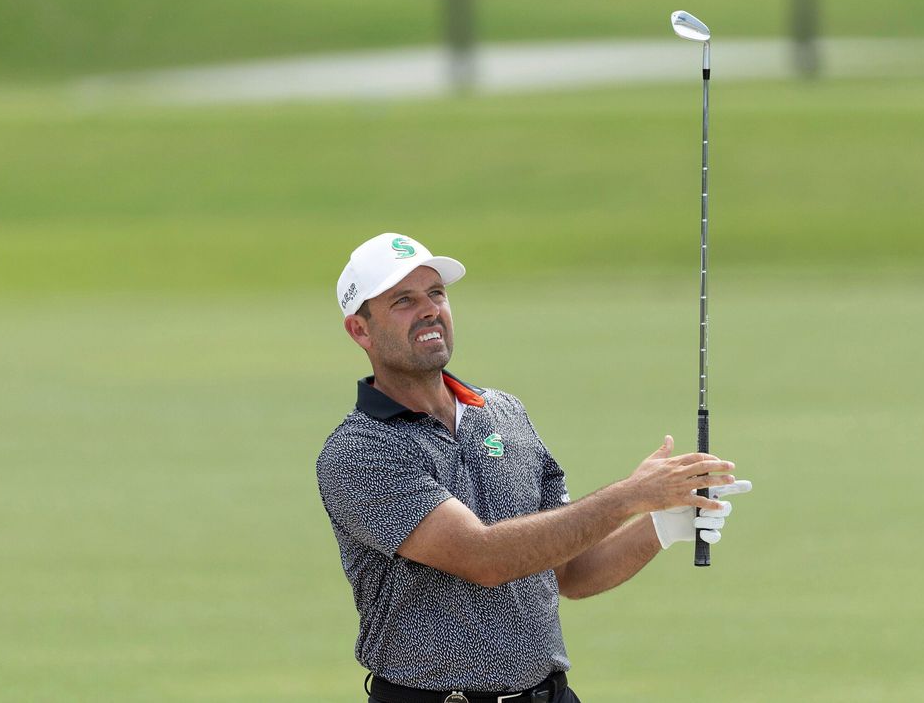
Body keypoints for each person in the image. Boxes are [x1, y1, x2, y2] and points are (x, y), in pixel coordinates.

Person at [316, 233, 752, 703]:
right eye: (403, 300)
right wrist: (631, 495)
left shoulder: (504, 413)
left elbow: (570, 572)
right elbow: (484, 559)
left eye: (436, 293)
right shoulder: (358, 452)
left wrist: (659, 525)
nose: (429, 310)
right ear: (360, 330)